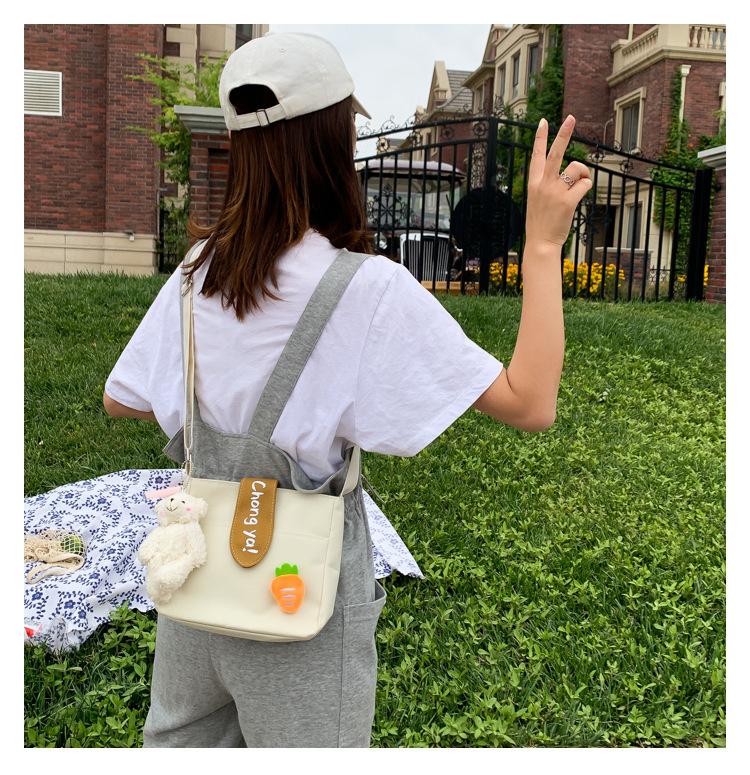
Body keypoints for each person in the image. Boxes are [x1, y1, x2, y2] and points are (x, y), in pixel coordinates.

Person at [103, 31, 591, 748]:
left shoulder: (197, 272)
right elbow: (530, 401)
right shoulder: (366, 290)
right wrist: (543, 247)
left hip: (197, 587)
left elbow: (123, 398)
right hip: (299, 600)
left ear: (238, 146)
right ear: (338, 140)